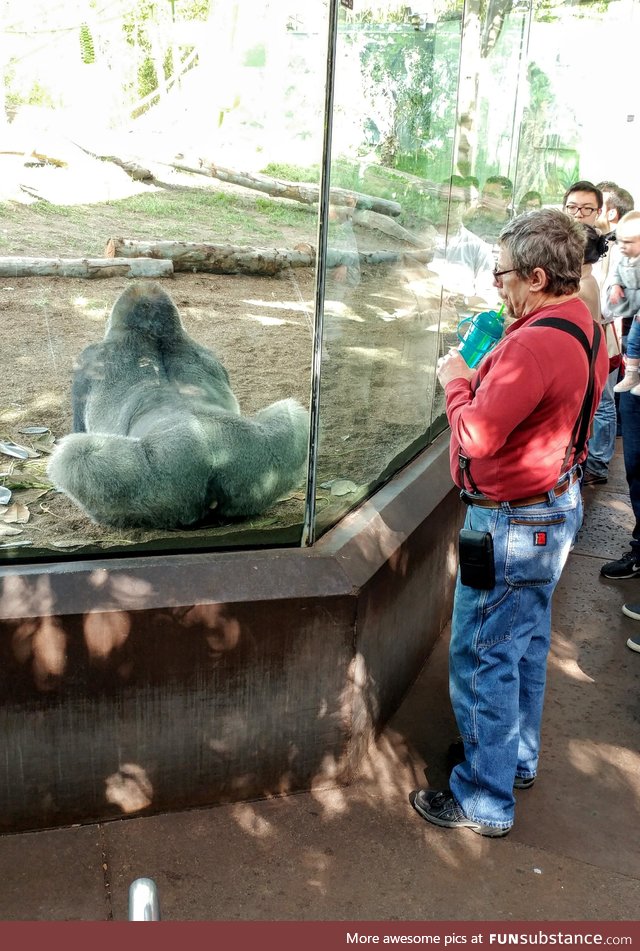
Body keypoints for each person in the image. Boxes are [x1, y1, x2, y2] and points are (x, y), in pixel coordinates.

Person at [410, 208, 608, 837]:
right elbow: (607, 379)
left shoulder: (534, 341)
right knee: (523, 644)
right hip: (555, 507)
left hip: (516, 522)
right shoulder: (585, 323)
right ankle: (511, 758)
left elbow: (477, 436)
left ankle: (484, 798)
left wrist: (458, 380)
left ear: (538, 276)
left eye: (503, 275)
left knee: (486, 654)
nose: (498, 286)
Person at [582, 182, 635, 485]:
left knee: (603, 399)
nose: (581, 214)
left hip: (605, 334)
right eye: (574, 207)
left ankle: (599, 463)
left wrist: (598, 316)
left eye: (589, 208)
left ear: (606, 211)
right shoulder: (602, 244)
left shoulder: (616, 250)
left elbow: (616, 301)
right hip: (597, 330)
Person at [609, 212, 640, 393]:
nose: (622, 246)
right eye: (620, 241)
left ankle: (632, 375)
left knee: (635, 340)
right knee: (631, 343)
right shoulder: (623, 258)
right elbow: (616, 273)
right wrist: (615, 285)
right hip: (630, 312)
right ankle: (632, 375)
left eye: (629, 242)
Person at [463, 175, 514, 244]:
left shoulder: (516, 228)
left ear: (507, 200)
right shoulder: (473, 220)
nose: (484, 200)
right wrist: (465, 219)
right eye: (483, 194)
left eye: (491, 195)